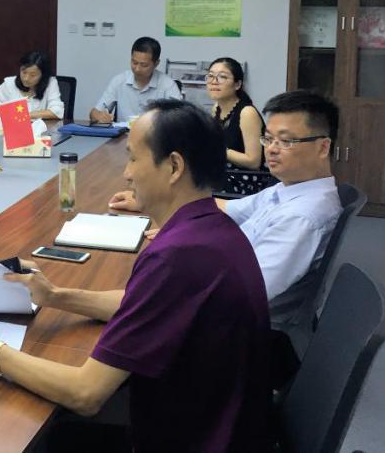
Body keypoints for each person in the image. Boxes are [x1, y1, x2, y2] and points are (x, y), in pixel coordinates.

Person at [0, 99, 270, 451]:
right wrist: (56, 296)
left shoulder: (178, 256)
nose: (127, 173)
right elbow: (140, 302)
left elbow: (85, 393)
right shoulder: (211, 228)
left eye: (133, 158)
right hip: (215, 424)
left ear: (174, 166)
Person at [111, 90, 342, 333]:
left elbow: (241, 295)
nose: (272, 149)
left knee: (131, 307)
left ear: (323, 147)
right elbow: (226, 208)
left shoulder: (302, 217)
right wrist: (154, 199)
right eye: (268, 139)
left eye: (286, 141)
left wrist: (185, 250)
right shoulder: (288, 189)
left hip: (243, 333)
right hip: (225, 294)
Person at [89, 37, 181, 123]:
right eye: (134, 62)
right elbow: (94, 113)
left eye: (144, 65)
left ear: (156, 63)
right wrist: (99, 116)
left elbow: (180, 118)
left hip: (155, 134)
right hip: (124, 134)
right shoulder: (119, 81)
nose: (137, 69)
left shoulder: (168, 85)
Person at [207, 57, 264, 170]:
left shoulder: (247, 113)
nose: (214, 82)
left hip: (243, 177)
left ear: (237, 84)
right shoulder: (216, 108)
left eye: (222, 77)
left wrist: (218, 149)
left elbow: (254, 162)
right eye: (210, 76)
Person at [0, 50, 64, 120]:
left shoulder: (50, 83)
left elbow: (57, 111)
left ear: (43, 75)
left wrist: (25, 115)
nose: (26, 78)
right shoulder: (9, 83)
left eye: (33, 75)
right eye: (24, 72)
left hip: (41, 128)